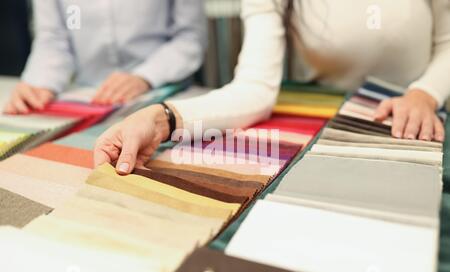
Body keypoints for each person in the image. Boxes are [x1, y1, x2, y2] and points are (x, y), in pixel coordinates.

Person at [94, 0, 450, 175]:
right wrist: (161, 119)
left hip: (417, 116)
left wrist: (425, 92)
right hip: (317, 123)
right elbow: (254, 89)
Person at [3, 0, 207, 114]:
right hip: (89, 98)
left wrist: (144, 77)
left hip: (163, 92)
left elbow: (190, 38)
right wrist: (39, 82)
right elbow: (54, 38)